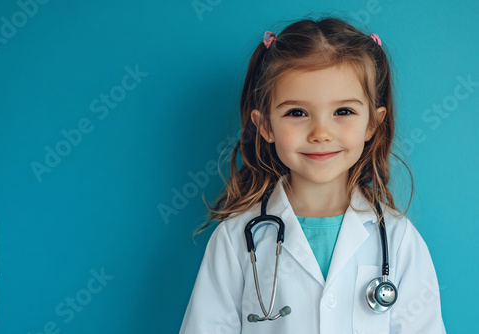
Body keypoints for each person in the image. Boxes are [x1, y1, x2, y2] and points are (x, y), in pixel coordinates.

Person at [179, 16, 446, 334]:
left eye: (343, 111)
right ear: (265, 126)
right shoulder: (236, 238)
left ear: (372, 124)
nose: (321, 132)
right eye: (297, 112)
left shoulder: (399, 239)